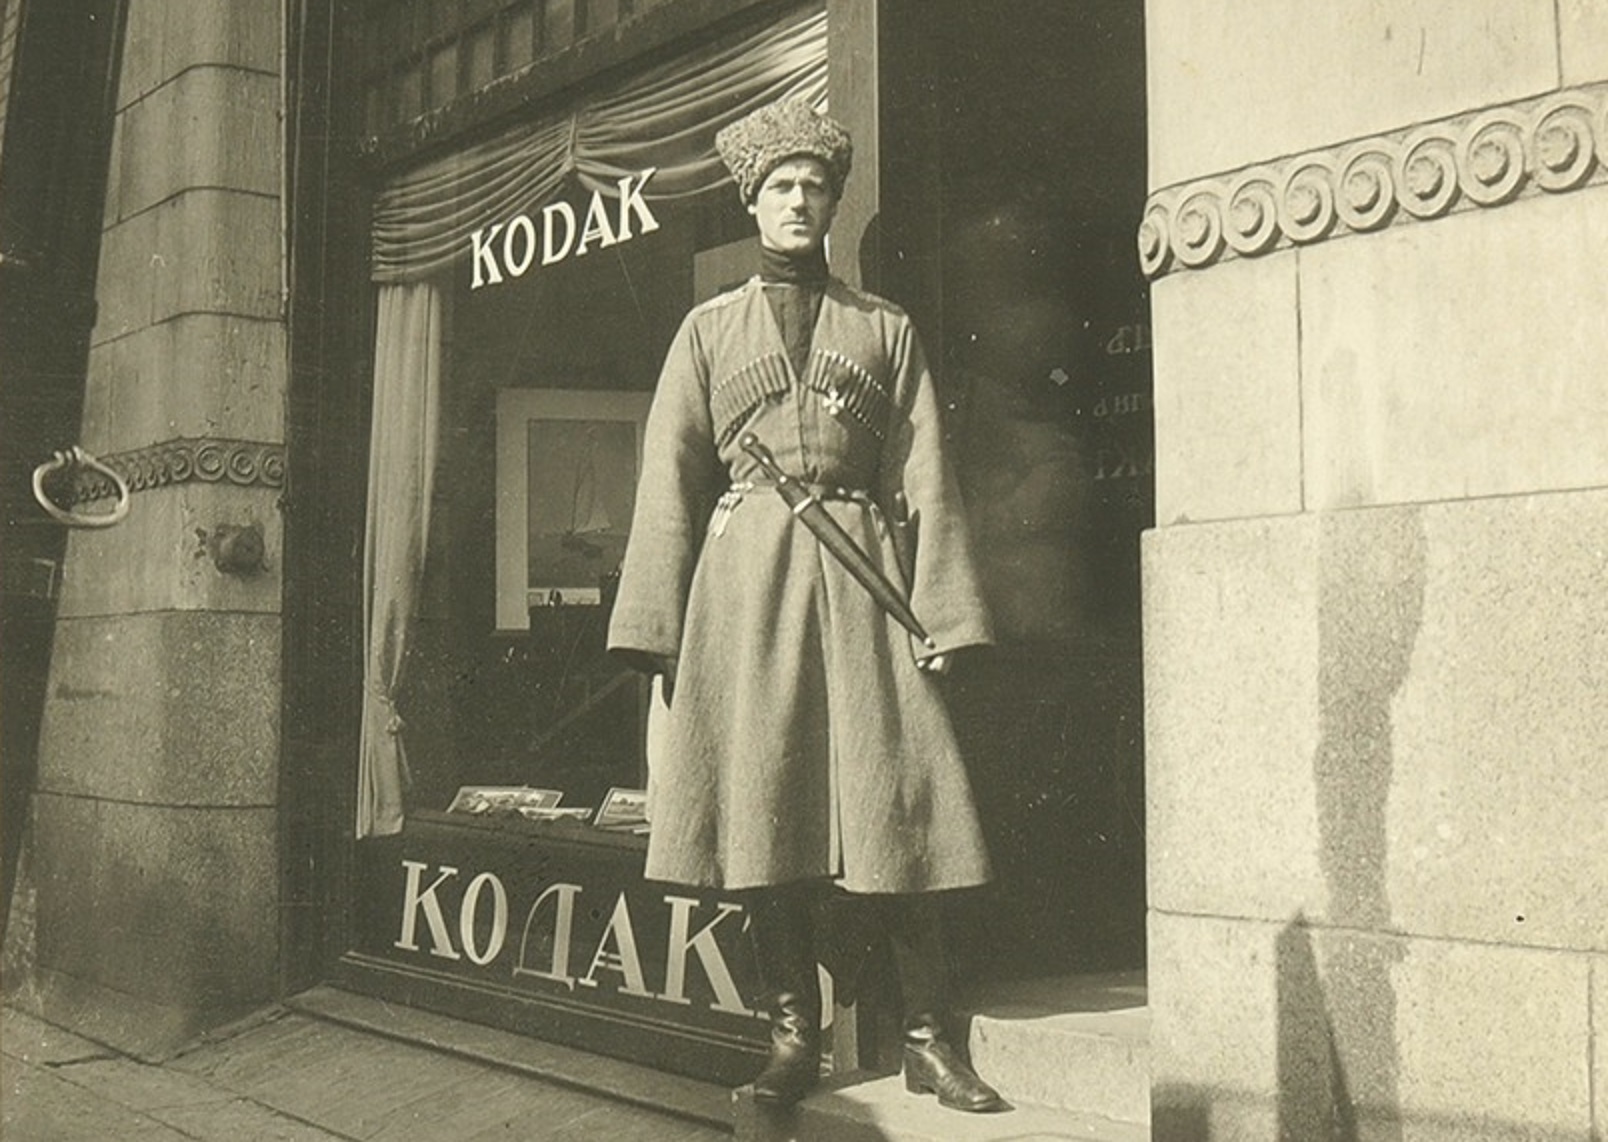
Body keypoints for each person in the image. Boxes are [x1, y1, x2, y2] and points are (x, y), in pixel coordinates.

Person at [607, 96, 1004, 1113]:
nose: (797, 202)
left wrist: (946, 612)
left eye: (814, 188)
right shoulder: (705, 331)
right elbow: (669, 479)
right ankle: (791, 1036)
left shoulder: (884, 327)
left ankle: (926, 1035)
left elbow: (929, 472)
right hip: (746, 592)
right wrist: (654, 629)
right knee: (760, 808)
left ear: (832, 206)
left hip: (865, 575)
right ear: (752, 202)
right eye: (781, 187)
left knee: (904, 802)